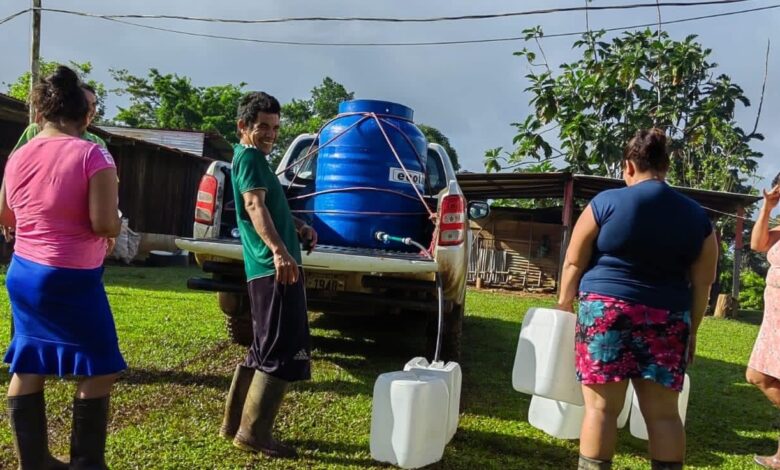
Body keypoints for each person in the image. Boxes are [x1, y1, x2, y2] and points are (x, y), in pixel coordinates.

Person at [556, 128, 718, 470]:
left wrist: (564, 305)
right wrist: (692, 330)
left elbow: (573, 261)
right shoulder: (697, 218)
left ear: (628, 166)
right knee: (664, 416)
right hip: (667, 317)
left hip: (605, 312)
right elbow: (703, 283)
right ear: (666, 166)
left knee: (601, 410)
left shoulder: (605, 203)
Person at [0, 65, 125, 469]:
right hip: (70, 276)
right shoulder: (92, 154)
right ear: (85, 115)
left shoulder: (19, 155)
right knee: (101, 367)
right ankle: (86, 464)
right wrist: (116, 223)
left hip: (23, 272)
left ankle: (34, 463)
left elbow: (6, 215)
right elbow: (103, 223)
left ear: (42, 112)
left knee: (28, 362)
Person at [219, 91, 317, 459]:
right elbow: (253, 205)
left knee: (262, 346)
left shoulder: (253, 160)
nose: (271, 134)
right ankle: (254, 434)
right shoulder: (249, 158)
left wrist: (298, 226)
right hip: (270, 267)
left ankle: (233, 425)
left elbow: (269, 208)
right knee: (280, 347)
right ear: (243, 126)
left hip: (265, 268)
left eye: (275, 128)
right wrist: (279, 251)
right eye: (263, 126)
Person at [746, 172, 780, 469]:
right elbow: (757, 244)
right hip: (773, 318)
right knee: (764, 377)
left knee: (757, 375)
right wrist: (767, 208)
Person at [12, 82, 106, 152]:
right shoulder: (36, 130)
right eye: (85, 103)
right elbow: (15, 163)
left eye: (93, 104)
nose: (90, 109)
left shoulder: (97, 142)